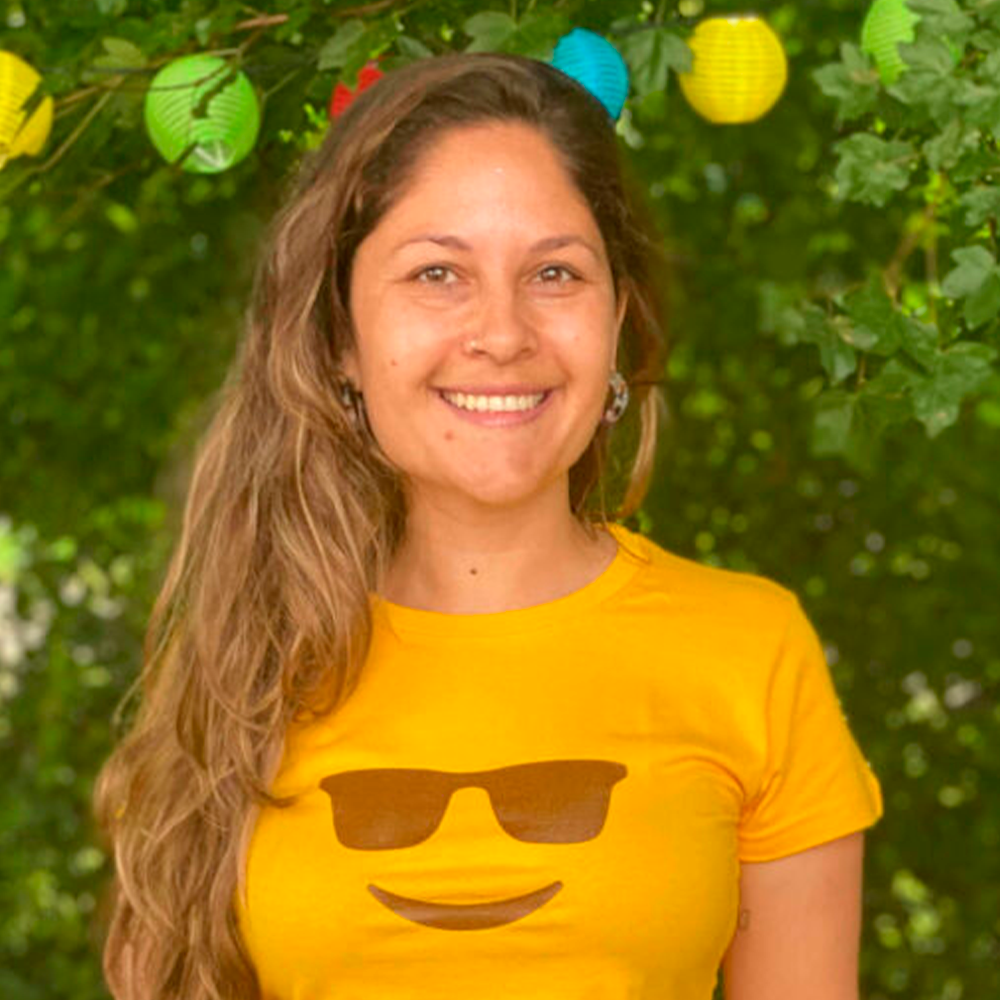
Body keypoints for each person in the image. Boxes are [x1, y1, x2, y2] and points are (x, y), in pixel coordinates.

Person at [92, 50, 884, 1000]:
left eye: (554, 272)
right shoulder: (240, 669)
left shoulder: (750, 651)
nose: (503, 334)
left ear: (618, 321)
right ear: (340, 337)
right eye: (437, 273)